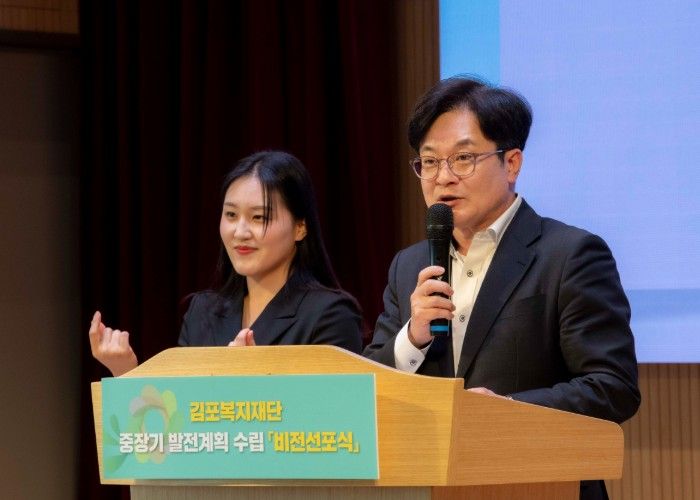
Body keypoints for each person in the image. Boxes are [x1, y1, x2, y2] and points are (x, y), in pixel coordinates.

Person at [363, 77, 640, 500]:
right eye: (430, 162)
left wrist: (505, 411)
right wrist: (412, 338)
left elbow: (612, 387)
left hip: (542, 485)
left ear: (511, 163)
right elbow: (371, 388)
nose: (443, 177)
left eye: (463, 158)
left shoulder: (569, 255)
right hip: (430, 486)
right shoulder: (409, 266)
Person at [90, 150, 363, 376]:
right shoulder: (202, 312)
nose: (240, 232)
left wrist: (247, 379)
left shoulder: (330, 315)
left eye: (258, 217)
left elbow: (336, 418)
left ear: (300, 227)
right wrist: (125, 372)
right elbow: (181, 416)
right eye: (231, 215)